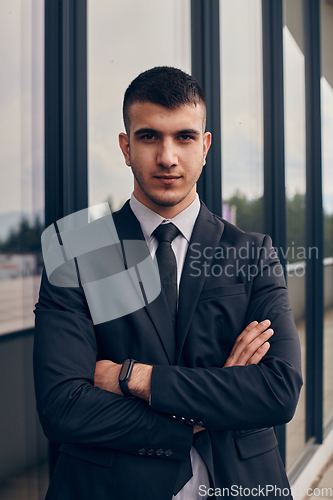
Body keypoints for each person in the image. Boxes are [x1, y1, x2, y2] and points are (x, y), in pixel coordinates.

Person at [34, 66, 302, 500]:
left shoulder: (253, 252)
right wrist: (207, 408)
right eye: (149, 137)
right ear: (125, 147)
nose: (168, 157)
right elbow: (63, 407)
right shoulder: (75, 254)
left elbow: (279, 391)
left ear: (205, 145)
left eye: (184, 137)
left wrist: (134, 377)